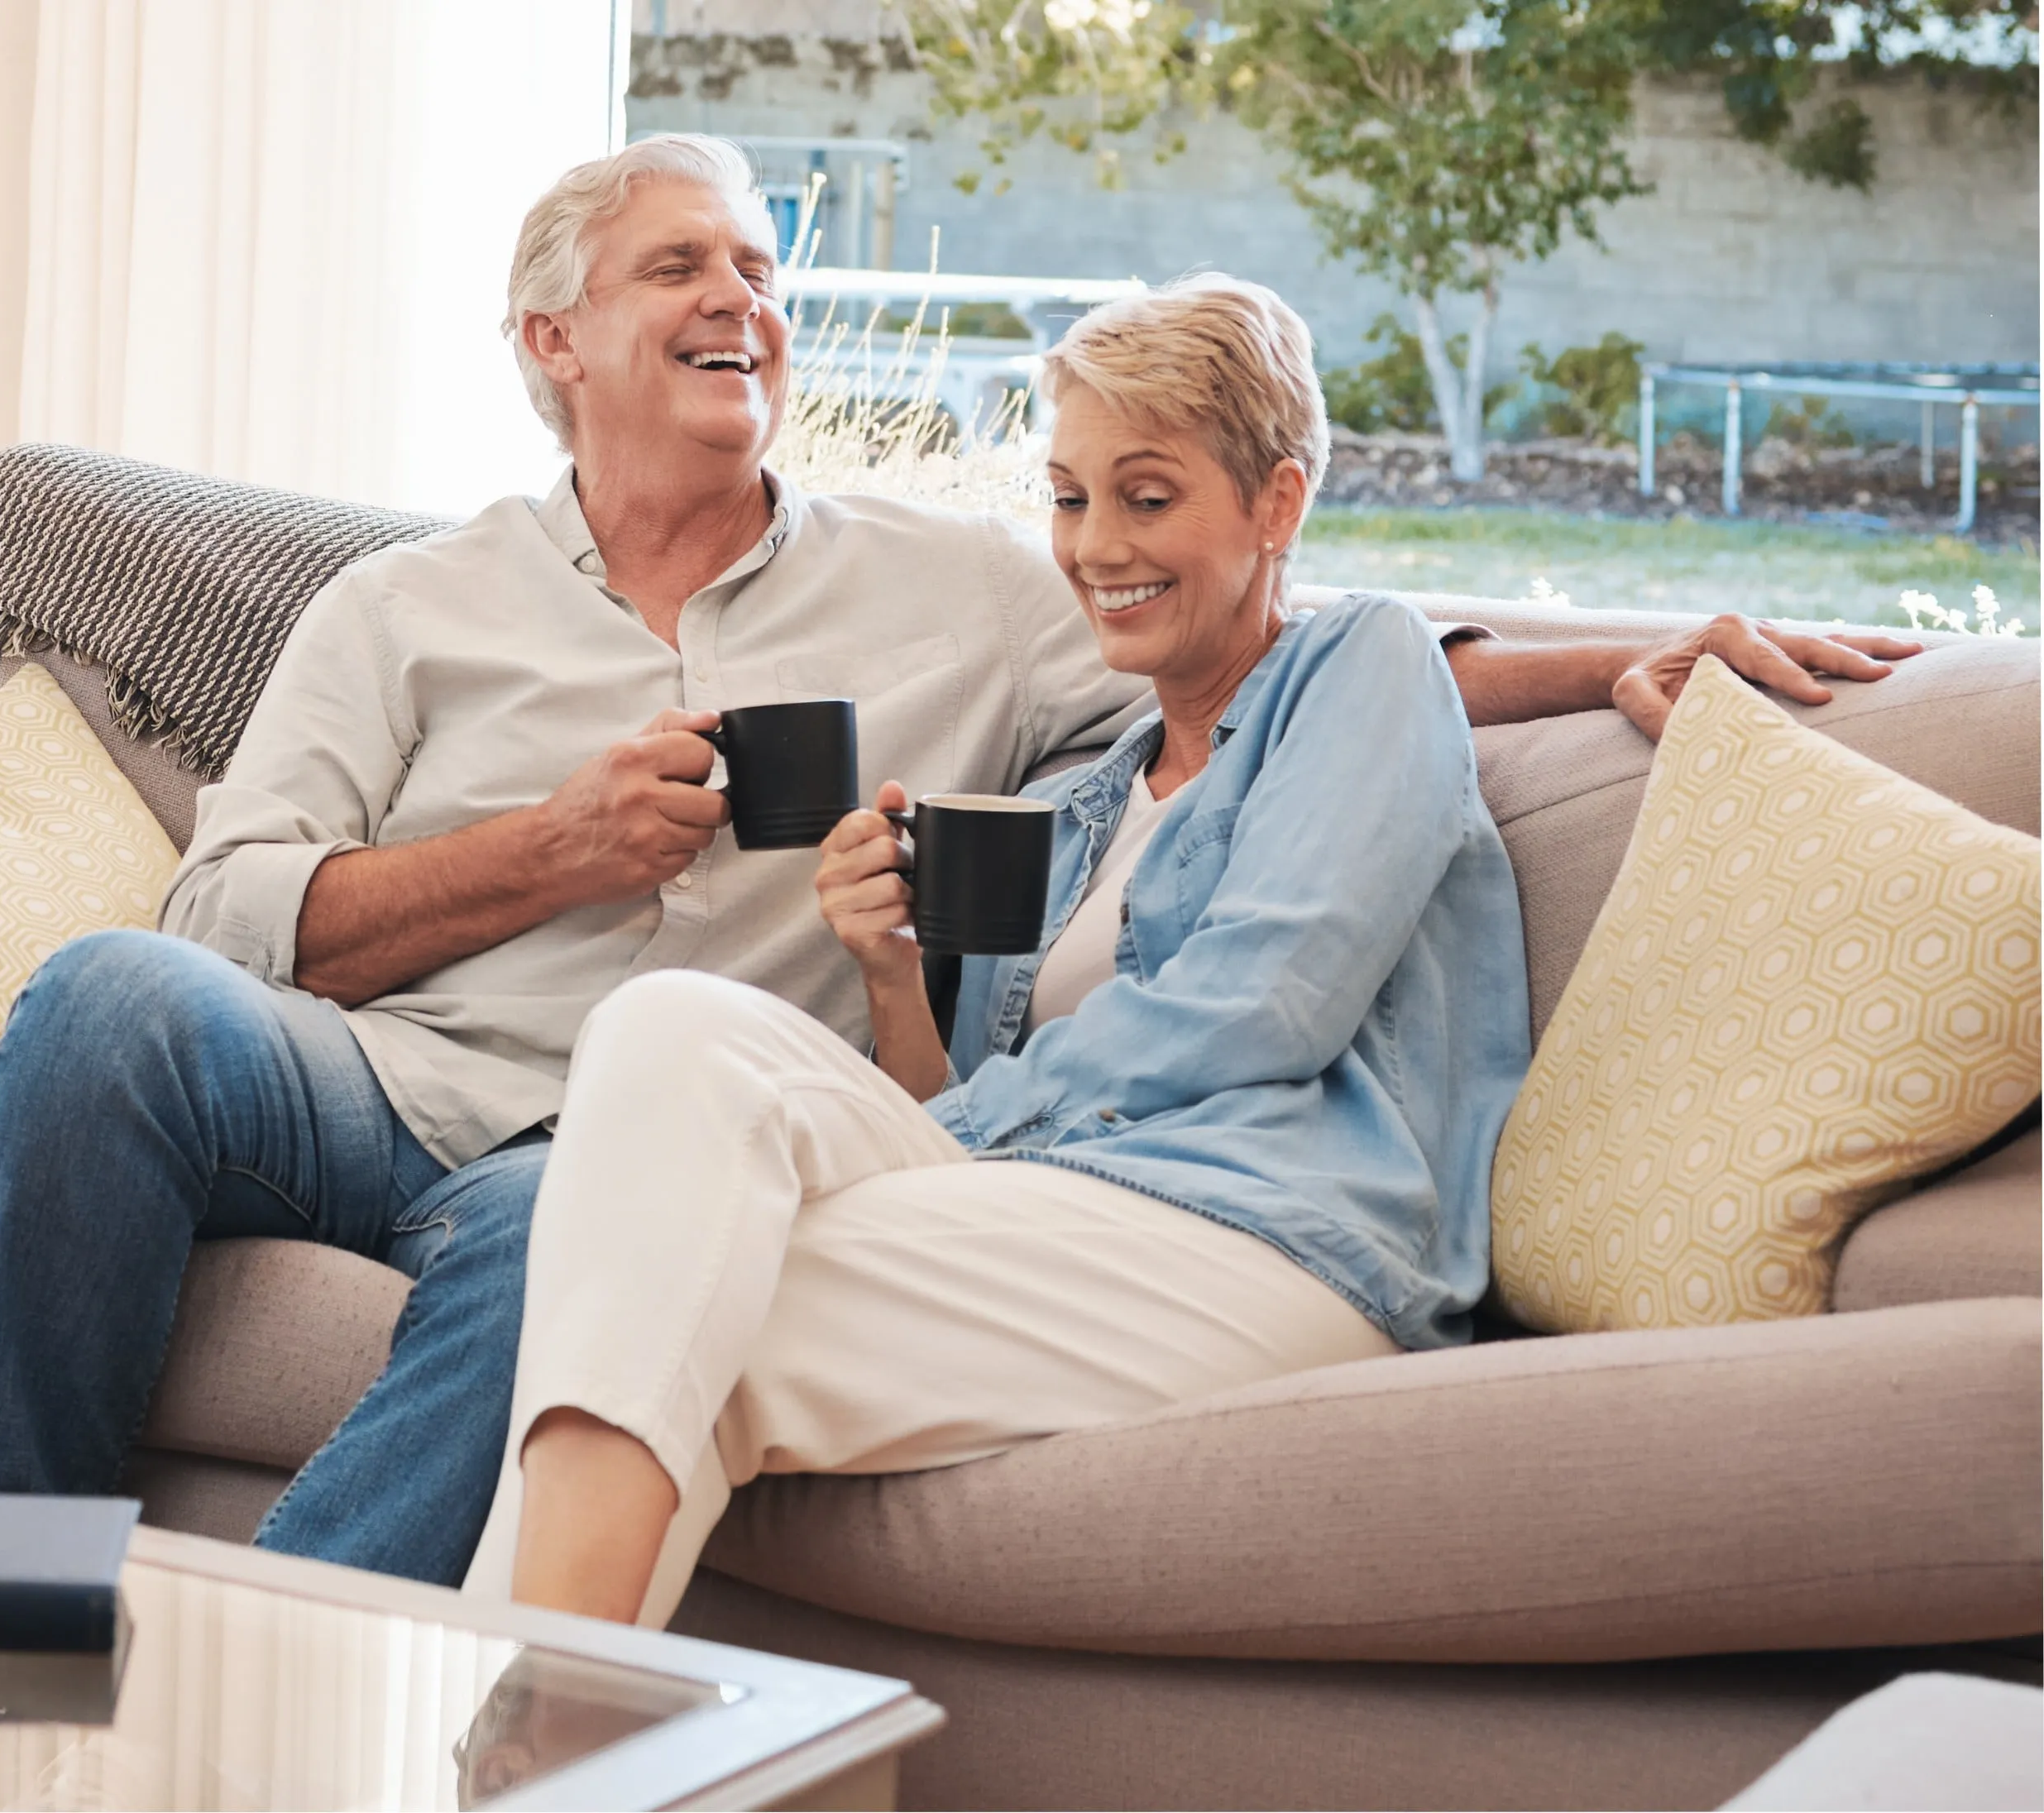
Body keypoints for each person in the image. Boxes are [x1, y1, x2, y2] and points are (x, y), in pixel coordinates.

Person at [0, 137, 1917, 1589]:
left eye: (761, 270)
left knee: (605, 1240)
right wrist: (548, 851)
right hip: (381, 1085)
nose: (744, 301)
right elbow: (224, 914)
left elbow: (1258, 640)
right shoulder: (402, 606)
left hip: (611, 1157)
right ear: (553, 338)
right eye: (679, 269)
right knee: (108, 996)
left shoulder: (967, 595)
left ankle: (285, 1660)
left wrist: (1615, 660)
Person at [469, 274, 1558, 1626]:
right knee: (660, 1175)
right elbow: (959, 1120)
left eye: (1146, 497)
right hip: (1063, 1223)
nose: (1097, 545)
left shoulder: (1362, 669)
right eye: (1067, 495)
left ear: (1276, 506)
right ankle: (520, 1748)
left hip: (1281, 1243)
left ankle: (478, 1734)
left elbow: (1267, 1003)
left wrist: (979, 1126)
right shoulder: (1079, 804)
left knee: (654, 1285)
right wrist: (887, 970)